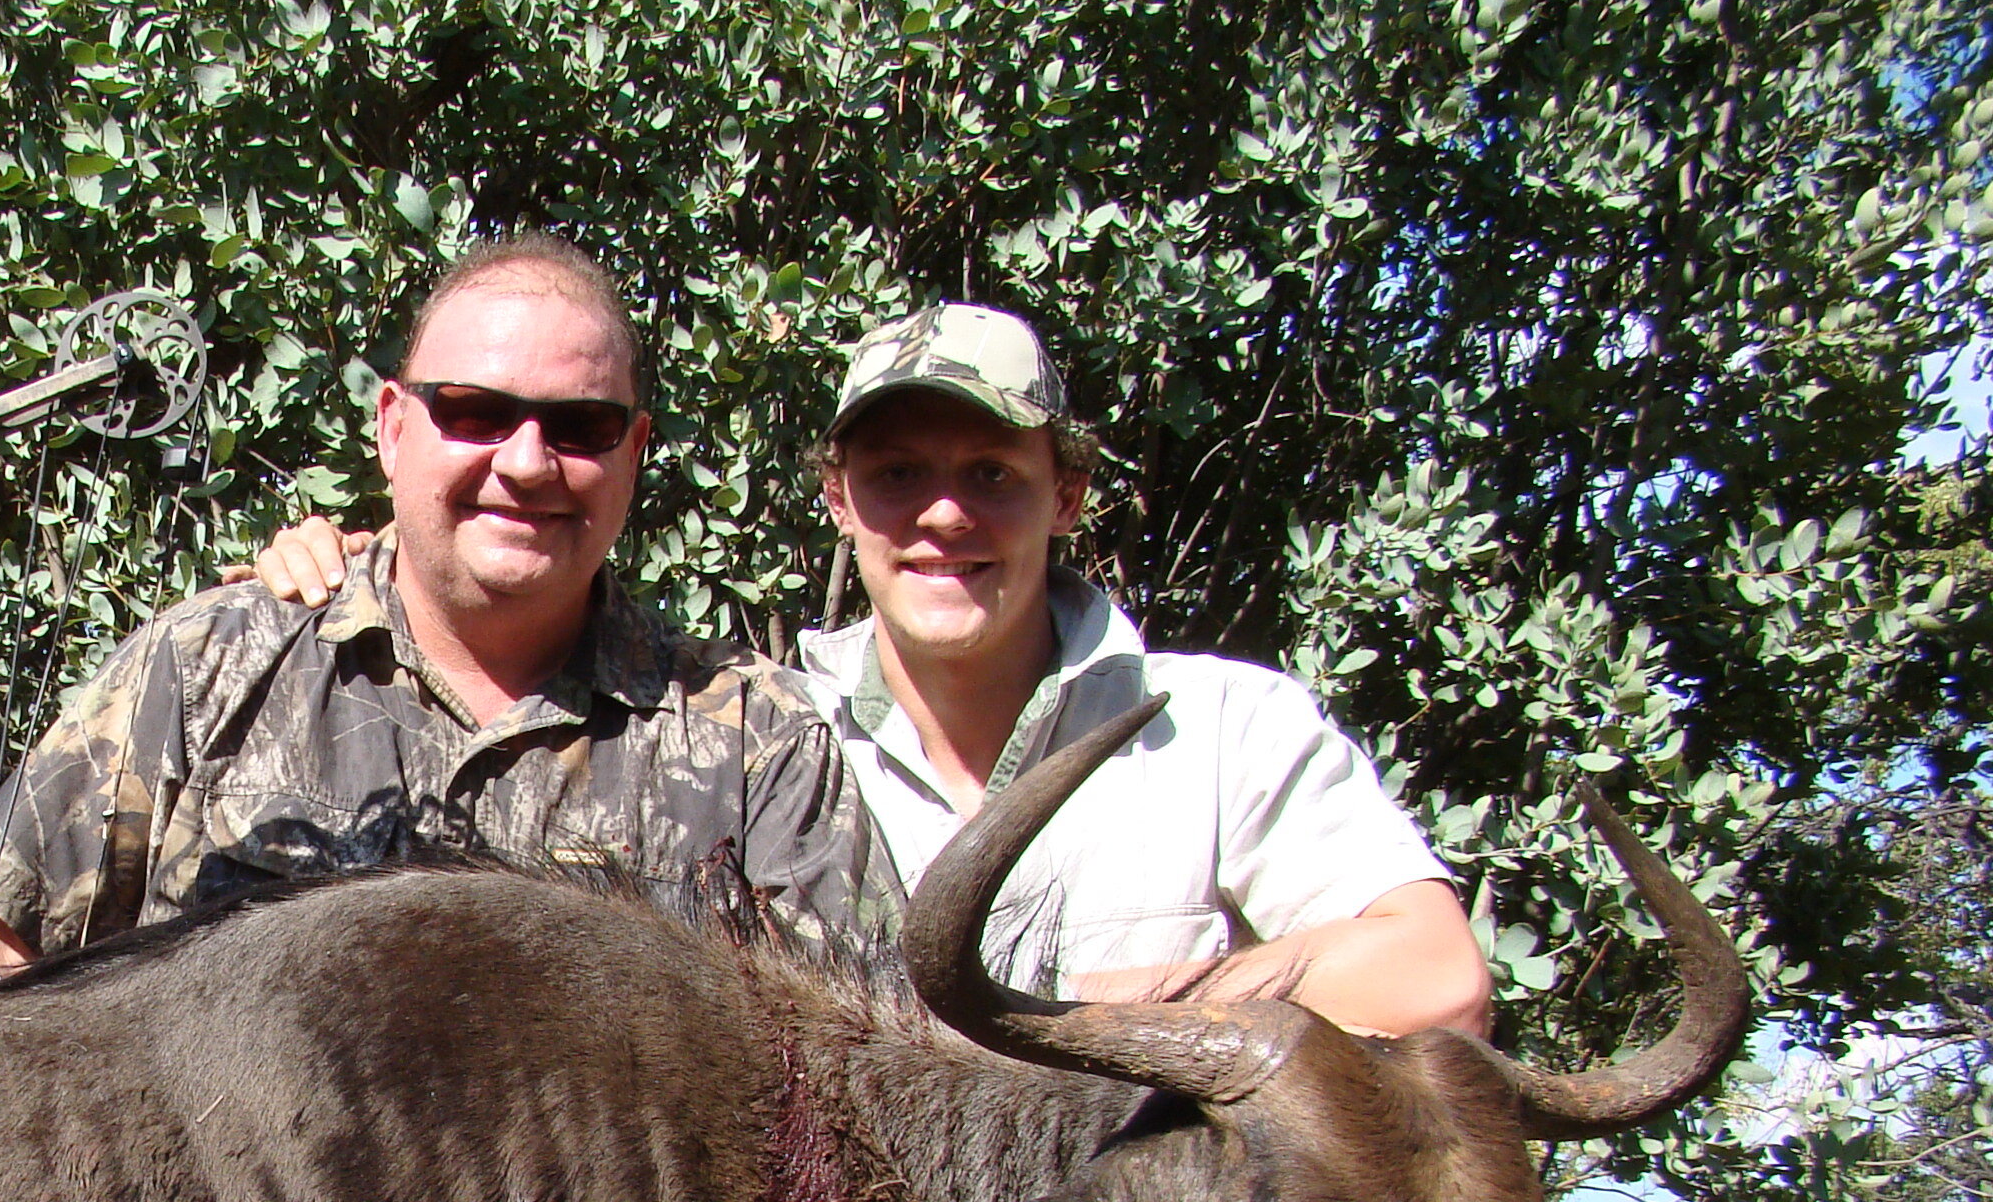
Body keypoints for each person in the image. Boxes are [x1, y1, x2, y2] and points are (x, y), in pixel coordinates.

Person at [250, 300, 1489, 1038]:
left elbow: (1435, 978)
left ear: (1068, 495)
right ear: (840, 499)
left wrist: (1110, 1022)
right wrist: (375, 570)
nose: (944, 515)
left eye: (993, 474)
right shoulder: (765, 735)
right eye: (899, 475)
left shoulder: (1222, 727)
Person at [0, 235, 884, 990]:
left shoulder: (759, 747)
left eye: (580, 427)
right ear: (393, 428)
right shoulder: (205, 672)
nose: (526, 463)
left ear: (635, 451)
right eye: (475, 413)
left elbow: (855, 1074)